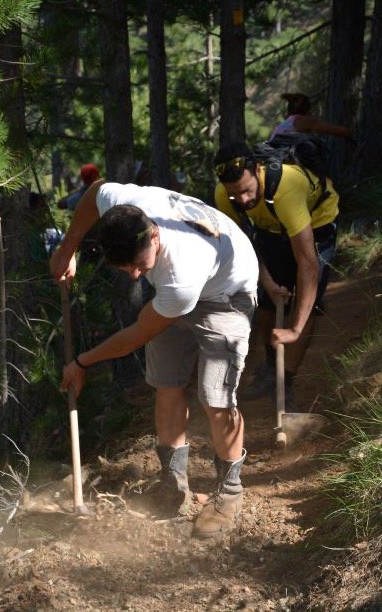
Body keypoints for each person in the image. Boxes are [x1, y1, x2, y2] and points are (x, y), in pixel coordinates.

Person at [50, 181, 259, 539]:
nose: (133, 275)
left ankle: (229, 492)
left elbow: (137, 334)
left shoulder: (180, 276)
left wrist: (83, 362)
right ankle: (173, 481)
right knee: (166, 381)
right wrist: (67, 249)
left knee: (216, 396)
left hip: (227, 292)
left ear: (155, 235)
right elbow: (95, 192)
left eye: (137, 264)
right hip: (180, 288)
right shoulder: (124, 204)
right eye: (124, 268)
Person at [213, 141, 339, 410]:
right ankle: (271, 370)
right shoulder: (225, 196)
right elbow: (244, 244)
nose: (243, 200)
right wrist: (268, 284)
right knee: (267, 303)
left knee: (309, 305)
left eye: (246, 190)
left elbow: (308, 264)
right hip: (271, 230)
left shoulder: (286, 188)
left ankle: (286, 381)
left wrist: (294, 329)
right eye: (235, 194)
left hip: (316, 225)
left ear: (257, 170)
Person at [270, 92, 352, 141]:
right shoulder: (301, 120)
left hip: (272, 166)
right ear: (307, 109)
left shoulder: (284, 125)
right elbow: (340, 131)